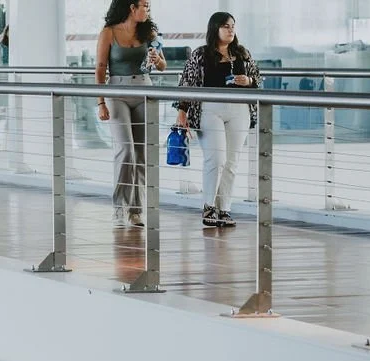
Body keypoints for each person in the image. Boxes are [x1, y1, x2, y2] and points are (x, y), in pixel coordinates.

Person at [175, 11, 261, 230]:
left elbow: (258, 79)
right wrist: (182, 111)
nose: (231, 29)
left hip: (239, 110)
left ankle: (224, 208)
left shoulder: (242, 53)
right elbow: (187, 82)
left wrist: (247, 80)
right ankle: (208, 206)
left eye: (233, 25)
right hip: (209, 109)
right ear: (215, 28)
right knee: (216, 159)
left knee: (231, 163)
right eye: (225, 26)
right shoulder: (201, 54)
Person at [96, 0, 166, 228]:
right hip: (117, 91)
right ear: (131, 7)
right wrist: (101, 102)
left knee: (141, 153)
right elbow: (100, 67)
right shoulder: (109, 32)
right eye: (144, 5)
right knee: (126, 151)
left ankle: (136, 211)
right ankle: (119, 207)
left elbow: (162, 66)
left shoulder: (149, 32)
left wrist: (158, 60)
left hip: (144, 89)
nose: (148, 9)